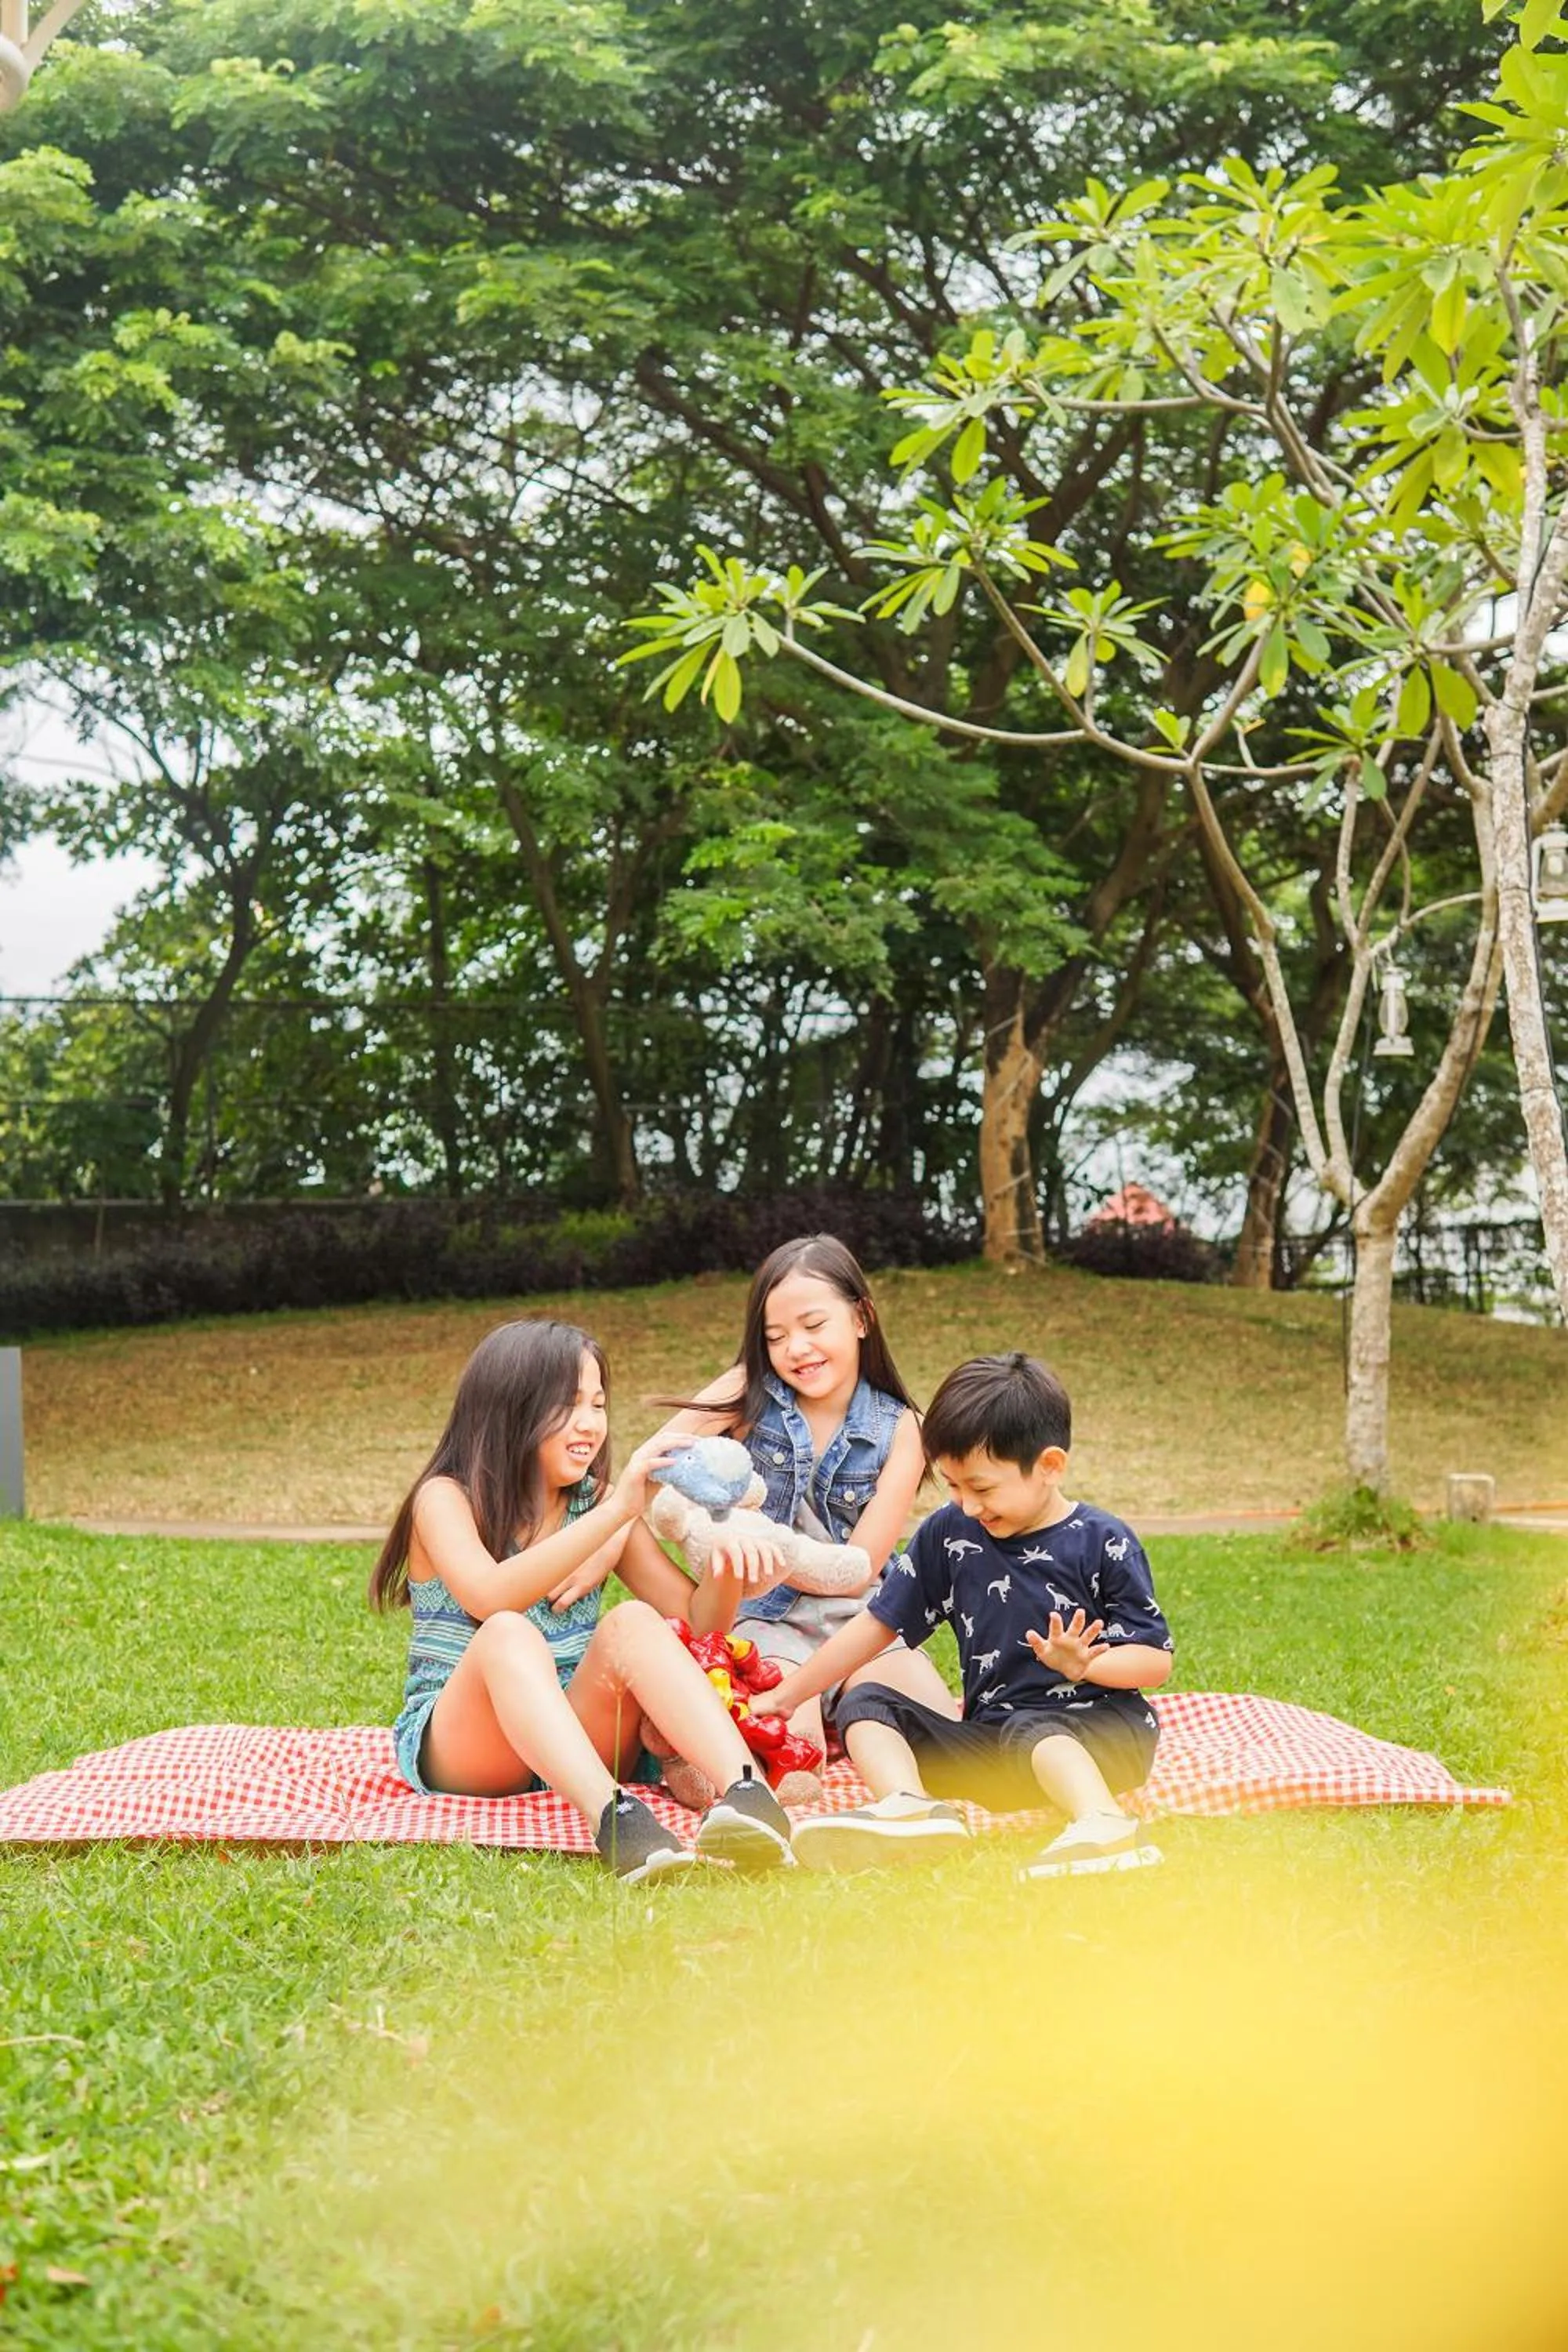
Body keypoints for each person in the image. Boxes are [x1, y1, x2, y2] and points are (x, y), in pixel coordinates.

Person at [369, 1319, 794, 1882]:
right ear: (509, 1409)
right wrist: (618, 1513)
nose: (591, 1423)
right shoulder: (445, 1498)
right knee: (507, 1632)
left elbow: (697, 1623)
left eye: (598, 1404)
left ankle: (751, 1798)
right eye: (569, 1405)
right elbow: (489, 1596)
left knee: (635, 1621)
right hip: (470, 1750)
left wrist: (728, 1565)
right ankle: (617, 1821)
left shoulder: (595, 1503)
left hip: (578, 1732)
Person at [758, 1352, 1174, 1880]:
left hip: (1105, 1743)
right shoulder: (950, 1532)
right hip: (996, 1749)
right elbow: (877, 1623)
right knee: (867, 1702)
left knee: (1035, 1725)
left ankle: (1105, 1824)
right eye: (953, 1486)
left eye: (982, 1488)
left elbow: (1154, 1662)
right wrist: (788, 1695)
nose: (968, 1505)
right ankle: (910, 1812)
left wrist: (1087, 1665)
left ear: (1049, 1467)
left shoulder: (1103, 1541)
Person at [655, 1235, 960, 1798]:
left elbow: (862, 1565)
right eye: (775, 1338)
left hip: (862, 1620)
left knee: (946, 1744)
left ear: (862, 1318)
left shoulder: (902, 1428)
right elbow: (658, 1461)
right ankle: (693, 1758)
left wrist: (773, 1551)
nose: (797, 1348)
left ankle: (879, 1765)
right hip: (769, 1619)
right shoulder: (749, 1396)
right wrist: (709, 1528)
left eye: (814, 1325)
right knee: (794, 1758)